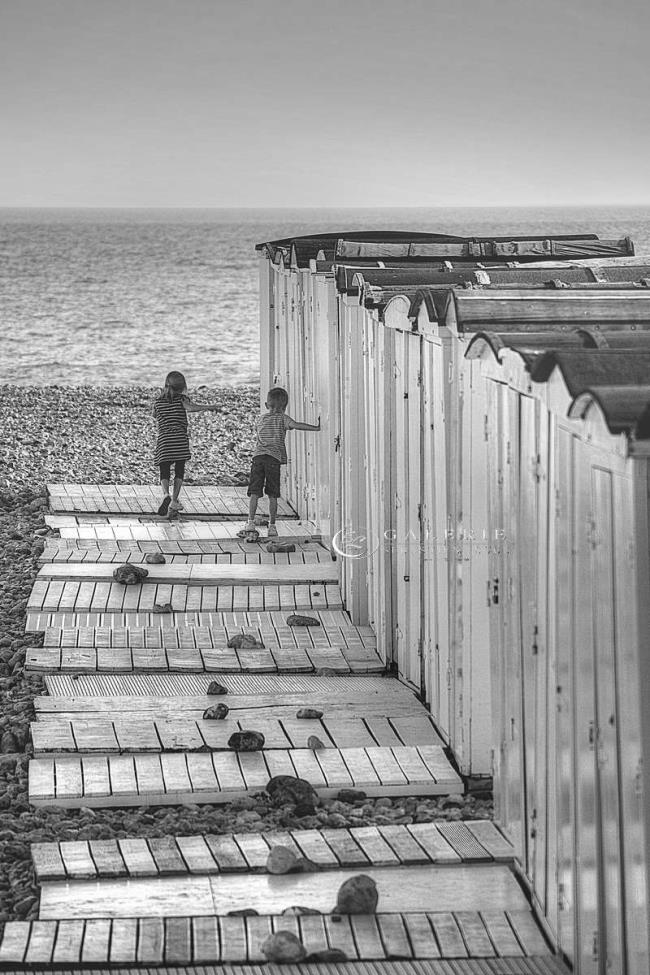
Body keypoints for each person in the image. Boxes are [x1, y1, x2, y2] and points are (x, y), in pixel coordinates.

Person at [242, 386, 320, 538]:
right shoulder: (283, 419)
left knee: (254, 492)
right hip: (273, 460)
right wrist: (316, 428)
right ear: (285, 407)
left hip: (258, 458)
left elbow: (258, 435)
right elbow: (297, 425)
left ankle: (250, 521)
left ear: (266, 405)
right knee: (272, 494)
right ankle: (272, 526)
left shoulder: (261, 419)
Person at [153, 370, 221, 518]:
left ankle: (165, 494)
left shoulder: (158, 401)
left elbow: (154, 415)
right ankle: (174, 500)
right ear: (183, 386)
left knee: (164, 470)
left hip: (164, 440)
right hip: (179, 440)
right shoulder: (182, 400)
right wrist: (210, 407)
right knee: (179, 469)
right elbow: (192, 408)